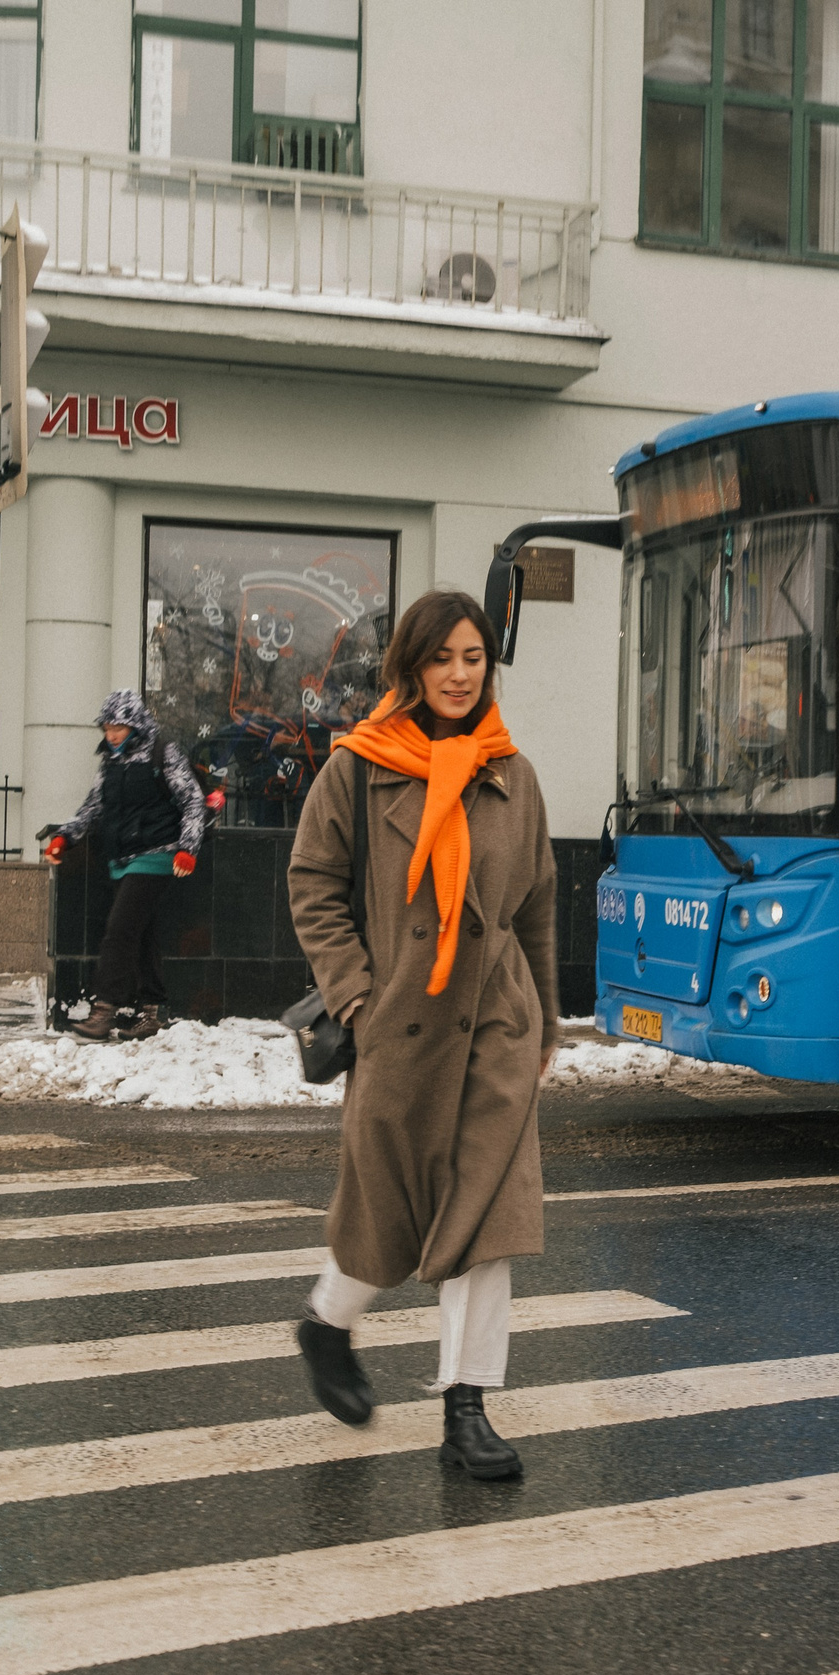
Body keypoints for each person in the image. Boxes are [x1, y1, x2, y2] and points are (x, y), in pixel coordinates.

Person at [284, 589, 560, 1481]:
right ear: (410, 665)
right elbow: (313, 883)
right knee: (387, 1213)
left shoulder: (510, 770)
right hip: (398, 1024)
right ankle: (327, 1322)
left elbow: (539, 905)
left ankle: (466, 1409)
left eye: (473, 658)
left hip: (493, 1024)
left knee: (485, 1218)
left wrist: (546, 1018)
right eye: (441, 657)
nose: (458, 674)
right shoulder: (359, 769)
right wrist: (355, 995)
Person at [42, 691, 207, 1041]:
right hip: (122, 858)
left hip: (158, 855)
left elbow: (193, 801)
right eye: (107, 728)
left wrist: (187, 849)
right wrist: (65, 837)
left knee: (119, 930)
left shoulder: (164, 753)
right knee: (140, 933)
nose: (112, 735)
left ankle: (104, 1012)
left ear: (135, 725)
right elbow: (93, 806)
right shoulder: (111, 762)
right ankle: (152, 1012)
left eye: (118, 727)